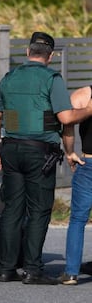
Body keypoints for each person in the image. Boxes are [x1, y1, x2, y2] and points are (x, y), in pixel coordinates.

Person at [0, 31, 92, 285]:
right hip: (39, 152)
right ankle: (32, 270)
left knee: (12, 209)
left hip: (10, 147)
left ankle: (6, 269)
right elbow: (65, 118)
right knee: (39, 209)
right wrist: (88, 109)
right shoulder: (51, 78)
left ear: (27, 52)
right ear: (51, 55)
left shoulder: (9, 78)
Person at [59, 86, 92, 285]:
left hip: (88, 163)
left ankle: (71, 272)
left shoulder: (83, 95)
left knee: (78, 219)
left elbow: (68, 123)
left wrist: (69, 151)